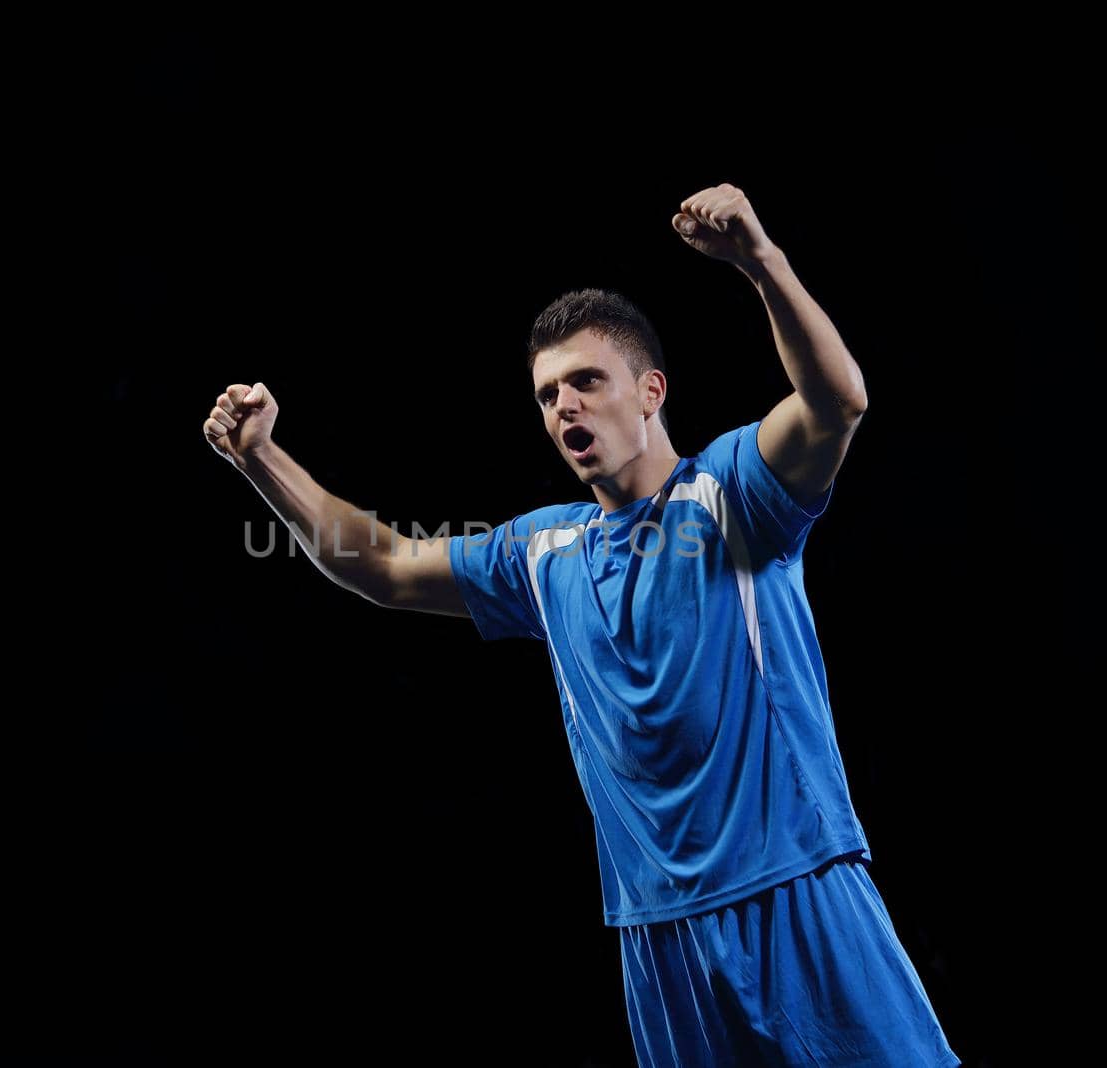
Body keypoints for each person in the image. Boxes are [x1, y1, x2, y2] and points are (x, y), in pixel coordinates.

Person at [204, 184, 960, 1067]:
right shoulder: (543, 550)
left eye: (586, 382)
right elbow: (383, 566)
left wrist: (761, 262)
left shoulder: (734, 495)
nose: (565, 407)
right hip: (656, 935)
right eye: (547, 393)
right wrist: (260, 459)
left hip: (792, 888)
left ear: (650, 391)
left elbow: (837, 403)